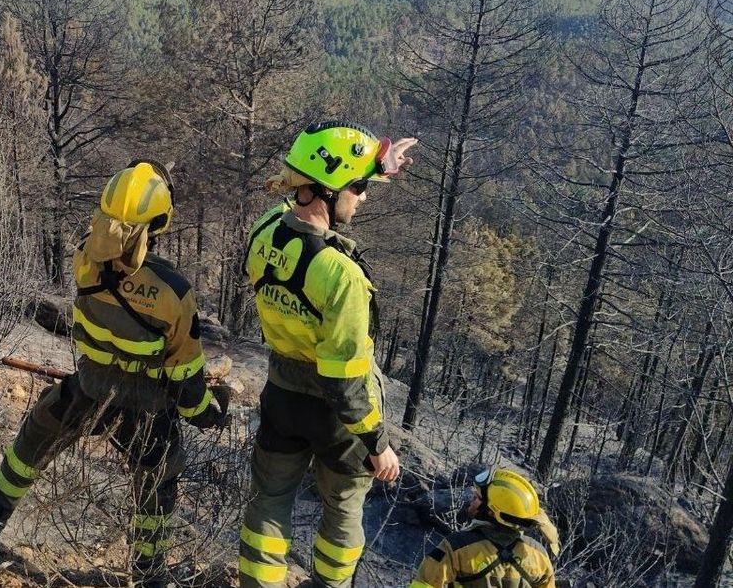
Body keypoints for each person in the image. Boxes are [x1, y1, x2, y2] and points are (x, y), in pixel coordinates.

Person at [0, 160, 228, 587]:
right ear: (161, 220)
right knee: (158, 483)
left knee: (34, 440)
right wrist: (207, 414)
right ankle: (146, 573)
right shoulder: (173, 290)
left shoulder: (86, 258)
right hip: (147, 408)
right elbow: (185, 373)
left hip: (89, 388)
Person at [238, 122, 416, 587]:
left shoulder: (263, 231)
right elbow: (345, 380)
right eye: (357, 188)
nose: (363, 197)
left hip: (282, 397)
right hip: (340, 421)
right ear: (325, 191)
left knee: (270, 501)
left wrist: (378, 163)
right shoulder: (341, 277)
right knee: (342, 512)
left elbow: (289, 197)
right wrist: (378, 445)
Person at [409, 468, 559, 588]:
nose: (472, 500)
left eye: (477, 498)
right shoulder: (539, 555)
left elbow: (422, 585)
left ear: (491, 512)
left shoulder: (455, 547)